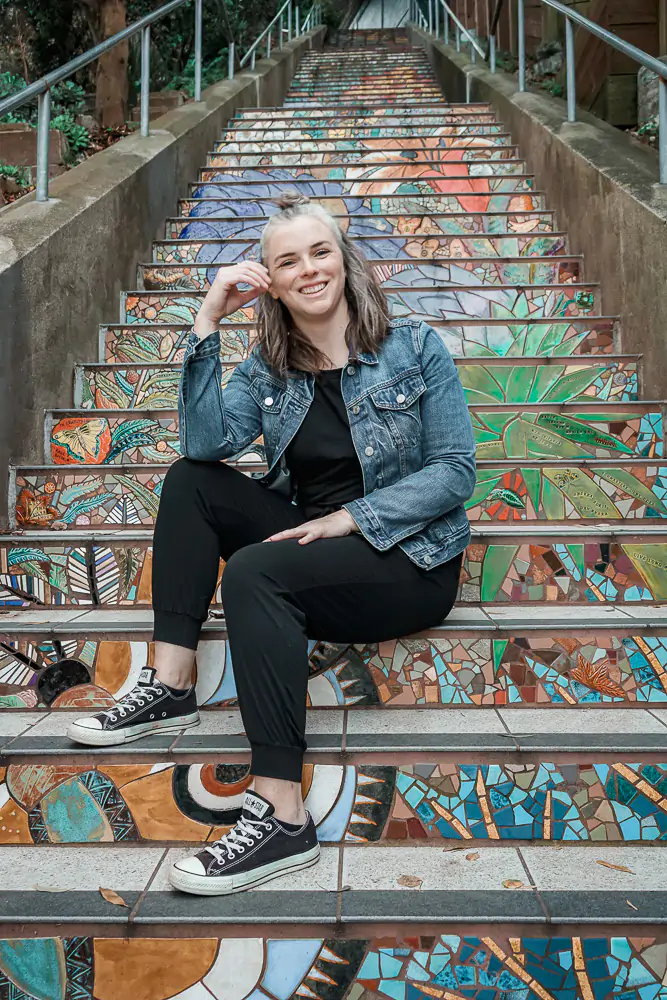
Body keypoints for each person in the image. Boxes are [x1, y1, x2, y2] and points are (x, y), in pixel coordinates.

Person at [68, 192, 477, 896]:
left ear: (344, 262)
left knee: (257, 572)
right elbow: (205, 444)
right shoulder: (268, 366)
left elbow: (454, 472)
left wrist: (353, 518)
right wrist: (206, 321)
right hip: (306, 551)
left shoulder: (414, 348)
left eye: (319, 252)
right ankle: (170, 684)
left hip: (405, 561)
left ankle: (282, 815)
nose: (308, 269)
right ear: (270, 281)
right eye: (287, 261)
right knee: (189, 480)